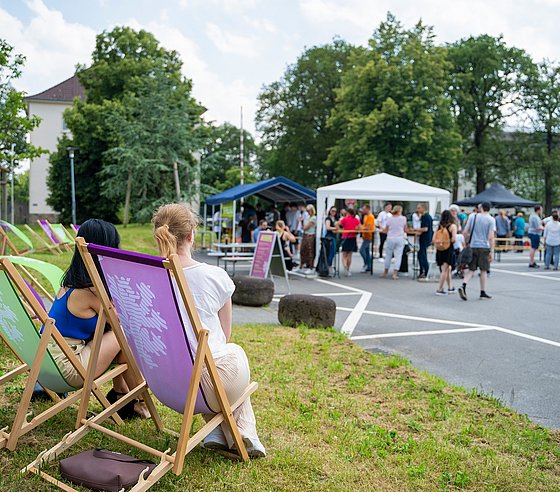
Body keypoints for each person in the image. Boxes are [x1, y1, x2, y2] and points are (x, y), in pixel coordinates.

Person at [152, 203, 265, 457]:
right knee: (229, 354)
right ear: (191, 235)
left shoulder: (146, 277)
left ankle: (216, 431)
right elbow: (225, 335)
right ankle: (244, 433)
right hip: (203, 387)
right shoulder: (214, 276)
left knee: (207, 360)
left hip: (166, 383)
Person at [46, 219, 150, 419]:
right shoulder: (91, 292)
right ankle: (138, 400)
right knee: (124, 334)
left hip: (46, 363)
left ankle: (122, 395)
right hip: (68, 367)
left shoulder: (70, 282)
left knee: (116, 336)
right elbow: (123, 322)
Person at [458, 202, 495, 301]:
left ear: (481, 208)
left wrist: (465, 243)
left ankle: (463, 285)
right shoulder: (491, 219)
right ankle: (482, 292)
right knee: (483, 270)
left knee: (471, 269)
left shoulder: (472, 216)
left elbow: (465, 231)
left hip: (473, 245)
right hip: (484, 246)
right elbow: (491, 236)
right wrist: (492, 251)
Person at [433, 210, 457, 295]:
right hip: (448, 249)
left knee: (447, 269)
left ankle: (450, 287)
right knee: (445, 270)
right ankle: (440, 289)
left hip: (440, 249)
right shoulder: (452, 226)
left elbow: (433, 239)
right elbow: (454, 239)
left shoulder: (439, 226)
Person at [382, 205, 408, 280]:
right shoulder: (403, 218)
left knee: (388, 256)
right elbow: (405, 229)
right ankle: (395, 273)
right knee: (398, 256)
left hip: (390, 238)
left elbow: (386, 230)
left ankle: (385, 272)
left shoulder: (389, 219)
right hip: (400, 238)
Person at [338, 208, 361, 276]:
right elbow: (359, 227)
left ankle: (345, 266)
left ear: (348, 212)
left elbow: (337, 223)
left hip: (345, 236)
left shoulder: (345, 218)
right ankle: (348, 269)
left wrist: (340, 230)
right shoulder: (356, 219)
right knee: (349, 255)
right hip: (352, 237)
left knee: (344, 254)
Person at [415, 204, 433, 280]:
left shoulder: (425, 216)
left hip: (425, 238)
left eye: (419, 208)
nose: (417, 210)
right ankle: (422, 270)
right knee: (420, 254)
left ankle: (426, 271)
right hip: (425, 237)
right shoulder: (424, 216)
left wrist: (416, 229)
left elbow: (425, 229)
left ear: (423, 208)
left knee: (422, 255)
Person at [299, 204, 317, 274]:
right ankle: (301, 265)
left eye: (309, 211)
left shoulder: (313, 218)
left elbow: (305, 227)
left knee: (310, 251)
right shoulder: (307, 217)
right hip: (305, 235)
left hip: (310, 235)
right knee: (302, 250)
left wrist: (302, 222)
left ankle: (311, 267)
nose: (308, 212)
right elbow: (304, 227)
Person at [360, 204, 375, 273]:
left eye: (364, 209)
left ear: (368, 209)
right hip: (365, 235)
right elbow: (365, 225)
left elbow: (368, 227)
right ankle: (369, 265)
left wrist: (361, 228)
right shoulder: (365, 216)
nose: (363, 211)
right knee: (366, 251)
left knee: (362, 250)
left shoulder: (370, 217)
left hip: (369, 236)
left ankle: (367, 263)